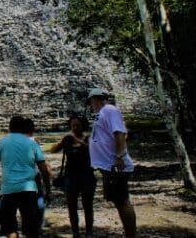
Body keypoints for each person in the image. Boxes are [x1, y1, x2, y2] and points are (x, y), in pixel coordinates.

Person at [0, 116, 51, 238]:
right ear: (23, 128)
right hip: (28, 189)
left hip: (8, 189)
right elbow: (43, 169)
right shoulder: (32, 144)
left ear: (9, 127)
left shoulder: (1, 143)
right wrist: (47, 189)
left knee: (10, 227)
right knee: (30, 229)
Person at [88, 88, 137, 238]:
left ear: (96, 99)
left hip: (115, 164)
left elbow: (119, 133)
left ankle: (131, 235)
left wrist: (119, 156)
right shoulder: (102, 113)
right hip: (109, 166)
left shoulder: (109, 110)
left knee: (122, 200)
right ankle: (128, 232)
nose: (91, 105)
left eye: (91, 101)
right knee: (118, 200)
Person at [49, 115, 95, 238]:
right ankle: (75, 231)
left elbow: (93, 150)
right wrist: (62, 141)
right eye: (73, 125)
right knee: (71, 204)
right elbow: (52, 150)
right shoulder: (68, 139)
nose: (75, 128)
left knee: (87, 204)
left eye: (77, 125)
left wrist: (77, 141)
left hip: (86, 175)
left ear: (82, 126)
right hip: (71, 175)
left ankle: (89, 232)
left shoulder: (88, 138)